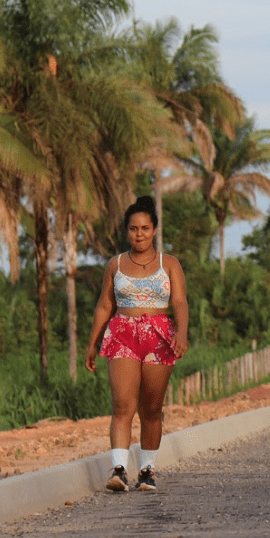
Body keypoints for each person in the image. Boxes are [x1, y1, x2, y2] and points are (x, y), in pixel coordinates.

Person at [84, 196, 189, 492]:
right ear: (127, 230)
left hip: (159, 338)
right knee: (122, 404)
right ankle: (119, 470)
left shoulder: (169, 264)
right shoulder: (115, 264)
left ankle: (147, 471)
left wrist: (182, 333)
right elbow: (105, 306)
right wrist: (92, 344)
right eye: (133, 228)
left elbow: (179, 302)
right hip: (123, 335)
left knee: (151, 409)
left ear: (154, 230)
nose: (139, 234)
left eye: (144, 228)